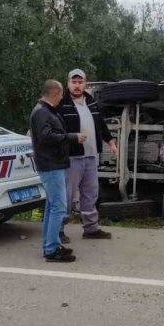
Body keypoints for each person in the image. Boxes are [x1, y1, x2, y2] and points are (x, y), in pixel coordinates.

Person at [58, 69, 117, 242]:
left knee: (91, 193)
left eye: (80, 82)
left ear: (85, 83)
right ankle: (59, 229)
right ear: (68, 83)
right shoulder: (62, 104)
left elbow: (101, 124)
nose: (77, 86)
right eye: (74, 82)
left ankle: (90, 228)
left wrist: (111, 142)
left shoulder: (91, 101)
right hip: (72, 156)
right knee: (66, 195)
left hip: (91, 155)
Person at [29, 79, 84, 262]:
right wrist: (72, 137)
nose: (62, 97)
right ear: (54, 94)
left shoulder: (46, 111)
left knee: (52, 207)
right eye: (61, 94)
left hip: (53, 164)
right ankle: (52, 249)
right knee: (59, 207)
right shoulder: (42, 112)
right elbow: (46, 137)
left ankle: (50, 244)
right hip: (50, 165)